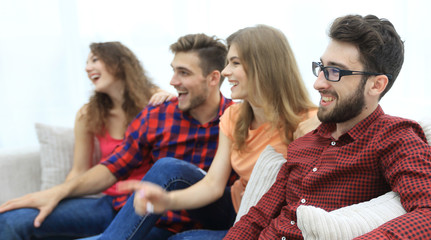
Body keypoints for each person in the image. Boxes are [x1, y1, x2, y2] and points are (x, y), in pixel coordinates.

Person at [0, 34, 234, 239]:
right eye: (173, 70)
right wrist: (55, 193)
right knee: (12, 219)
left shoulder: (237, 119)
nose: (173, 81)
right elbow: (113, 166)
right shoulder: (158, 114)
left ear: (213, 78)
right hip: (126, 208)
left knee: (167, 167)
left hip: (170, 224)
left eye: (183, 73)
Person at [222, 14, 431, 239]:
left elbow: (427, 211)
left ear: (376, 85)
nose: (318, 83)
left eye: (335, 72)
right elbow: (258, 217)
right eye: (321, 67)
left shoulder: (395, 136)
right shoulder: (304, 142)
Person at [114, 24, 318, 240]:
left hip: (267, 222)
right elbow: (213, 185)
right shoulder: (234, 116)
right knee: (168, 166)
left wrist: (323, 119)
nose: (225, 72)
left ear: (264, 66)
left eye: (235, 63)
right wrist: (167, 201)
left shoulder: (308, 122)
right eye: (227, 62)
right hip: (232, 209)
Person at [68, 41, 173, 196]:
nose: (87, 68)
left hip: (147, 196)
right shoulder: (87, 114)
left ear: (119, 64)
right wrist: (57, 196)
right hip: (108, 200)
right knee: (25, 216)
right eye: (87, 63)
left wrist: (173, 101)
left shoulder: (156, 99)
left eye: (95, 60)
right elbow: (79, 170)